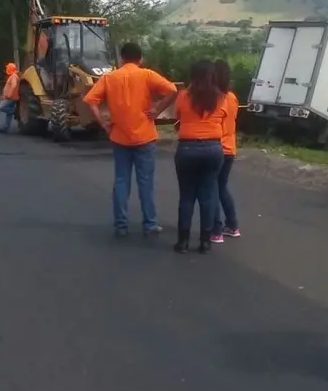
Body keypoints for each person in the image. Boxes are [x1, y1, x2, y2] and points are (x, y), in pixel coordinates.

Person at [84, 42, 177, 237]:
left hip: (119, 137)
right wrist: (157, 110)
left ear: (121, 58)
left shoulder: (109, 77)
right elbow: (172, 91)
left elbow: (90, 100)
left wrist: (103, 123)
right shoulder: (147, 75)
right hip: (145, 136)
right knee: (146, 182)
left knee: (121, 181)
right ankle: (150, 224)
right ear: (140, 58)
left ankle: (121, 225)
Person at [172, 60, 228, 254]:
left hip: (187, 148)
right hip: (213, 149)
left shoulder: (184, 96)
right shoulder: (221, 97)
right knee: (208, 195)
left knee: (187, 196)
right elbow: (223, 117)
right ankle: (205, 241)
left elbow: (177, 114)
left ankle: (183, 241)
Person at [210, 59, 241, 243]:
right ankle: (232, 225)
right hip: (230, 148)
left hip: (215, 147)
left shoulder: (214, 98)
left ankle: (216, 230)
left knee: (212, 189)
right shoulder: (232, 97)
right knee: (222, 187)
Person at [0, 62, 19, 133]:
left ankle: (15, 112)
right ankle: (5, 128)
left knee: (1, 107)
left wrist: (9, 94)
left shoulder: (13, 76)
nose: (6, 69)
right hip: (12, 97)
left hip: (10, 97)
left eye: (7, 68)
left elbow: (14, 85)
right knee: (8, 114)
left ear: (9, 69)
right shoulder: (14, 76)